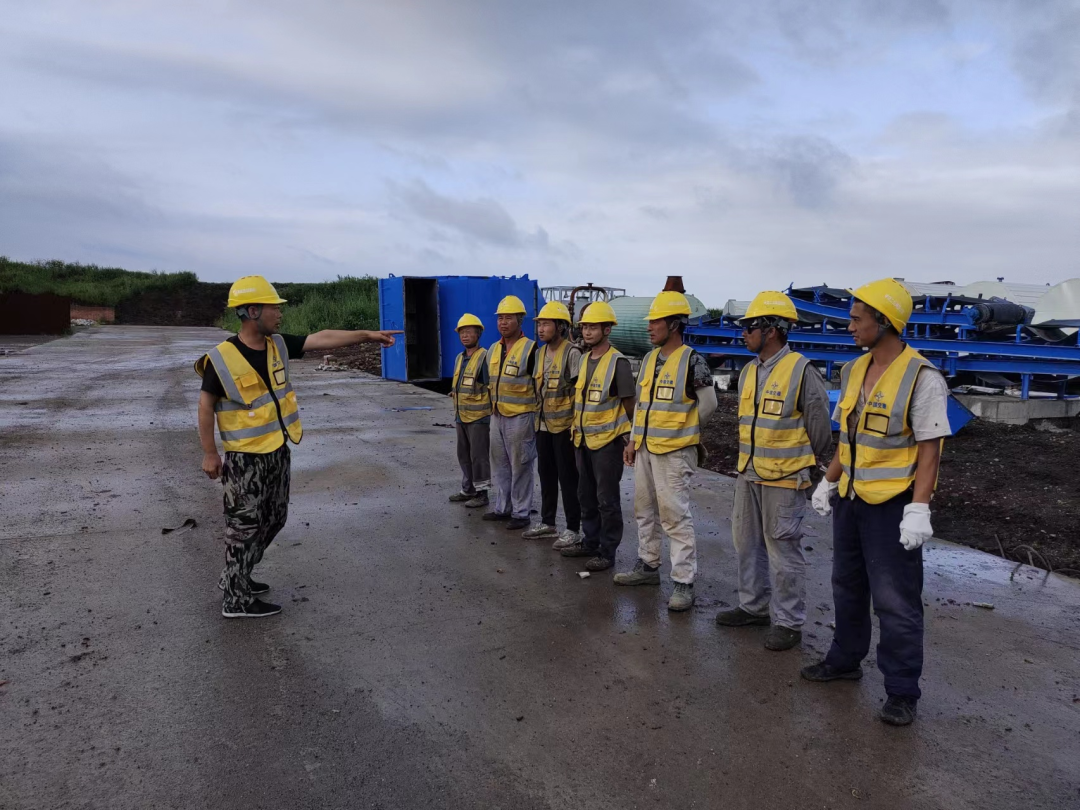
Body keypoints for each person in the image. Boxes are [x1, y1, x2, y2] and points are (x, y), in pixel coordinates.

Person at [196, 275, 400, 618]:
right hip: (245, 459)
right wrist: (209, 452)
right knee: (243, 527)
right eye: (273, 307)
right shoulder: (222, 359)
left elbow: (320, 339)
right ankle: (236, 598)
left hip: (277, 449)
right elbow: (205, 406)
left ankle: (238, 574)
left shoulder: (276, 344)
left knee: (275, 518)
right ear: (251, 310)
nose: (279, 313)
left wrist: (367, 335)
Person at [802, 278, 950, 727]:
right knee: (846, 585)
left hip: (892, 506)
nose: (849, 326)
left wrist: (919, 508)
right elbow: (849, 441)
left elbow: (930, 448)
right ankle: (845, 659)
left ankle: (902, 690)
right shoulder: (852, 371)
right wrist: (827, 482)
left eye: (857, 319)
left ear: (885, 322)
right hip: (851, 499)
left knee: (896, 600)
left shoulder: (922, 378)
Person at [714, 291, 832, 650]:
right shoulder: (750, 371)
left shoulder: (800, 370)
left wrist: (813, 470)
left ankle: (789, 622)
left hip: (785, 476)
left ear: (773, 330)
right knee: (747, 544)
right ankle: (753, 607)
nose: (744, 334)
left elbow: (819, 428)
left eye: (750, 327)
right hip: (749, 473)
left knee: (783, 550)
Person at [613, 291, 717, 611]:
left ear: (673, 324)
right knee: (644, 509)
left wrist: (682, 430)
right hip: (645, 448)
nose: (649, 327)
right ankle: (648, 565)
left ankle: (683, 582)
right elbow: (643, 406)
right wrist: (632, 440)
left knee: (674, 517)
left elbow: (710, 404)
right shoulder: (648, 360)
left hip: (674, 452)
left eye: (655, 321)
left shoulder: (693, 360)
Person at [559, 301, 635, 571]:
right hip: (582, 441)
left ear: (607, 329)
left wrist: (629, 440)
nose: (588, 332)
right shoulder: (582, 359)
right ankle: (590, 542)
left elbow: (629, 406)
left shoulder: (619, 363)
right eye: (585, 327)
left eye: (593, 327)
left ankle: (607, 551)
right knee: (586, 496)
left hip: (608, 444)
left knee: (607, 501)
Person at [523, 301, 584, 548]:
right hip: (542, 425)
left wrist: (577, 425)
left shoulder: (572, 354)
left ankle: (573, 529)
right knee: (546, 475)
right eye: (539, 324)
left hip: (565, 427)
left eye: (546, 324)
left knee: (568, 479)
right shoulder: (538, 354)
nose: (540, 329)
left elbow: (579, 393)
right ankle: (548, 524)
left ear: (560, 326)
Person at [484, 295, 539, 531]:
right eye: (500, 318)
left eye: (509, 318)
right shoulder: (493, 349)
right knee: (501, 465)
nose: (503, 322)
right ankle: (502, 508)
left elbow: (539, 385)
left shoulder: (532, 349)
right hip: (497, 415)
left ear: (520, 320)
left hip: (521, 416)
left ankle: (521, 512)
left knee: (521, 465)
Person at [448, 313, 492, 508]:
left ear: (478, 333)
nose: (465, 336)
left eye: (469, 332)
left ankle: (482, 493)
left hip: (478, 417)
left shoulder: (485, 357)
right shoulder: (460, 358)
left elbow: (490, 386)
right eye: (462, 332)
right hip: (461, 414)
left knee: (478, 456)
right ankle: (468, 489)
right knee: (463, 454)